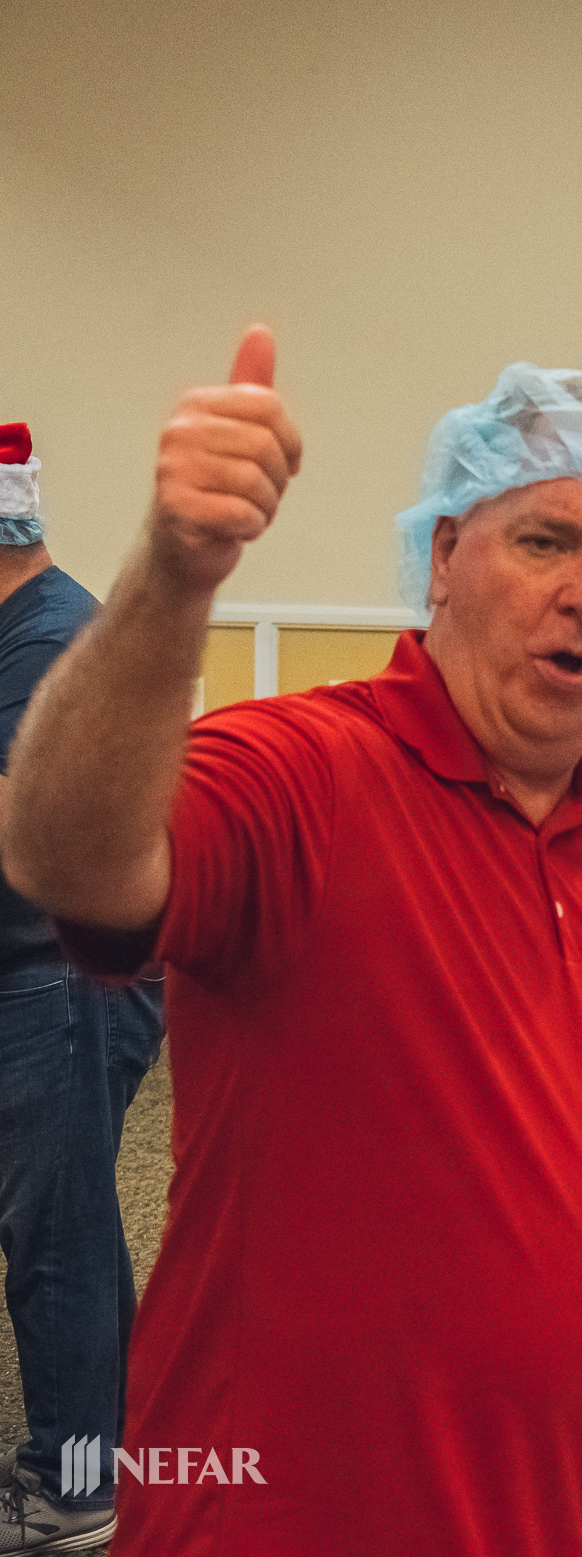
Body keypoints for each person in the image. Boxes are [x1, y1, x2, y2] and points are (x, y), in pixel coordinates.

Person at [3, 341, 582, 1555]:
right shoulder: (304, 772)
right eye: (546, 541)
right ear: (444, 555)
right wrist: (174, 578)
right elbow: (68, 853)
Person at [0, 423, 165, 1551]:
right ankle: (111, 1441)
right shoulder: (29, 629)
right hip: (57, 965)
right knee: (73, 1221)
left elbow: (32, 843)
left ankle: (71, 1490)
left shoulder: (51, 640)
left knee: (53, 1236)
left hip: (63, 976)